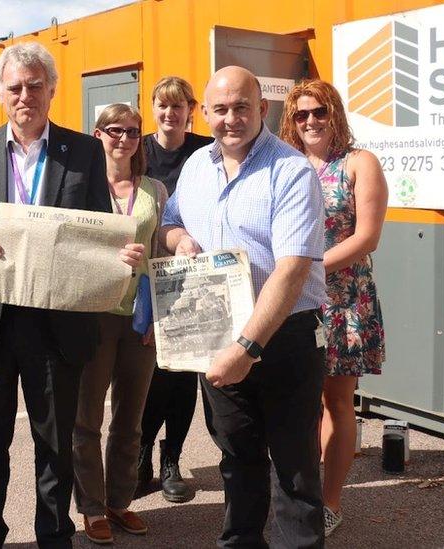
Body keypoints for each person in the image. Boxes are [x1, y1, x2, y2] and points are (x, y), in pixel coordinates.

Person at [0, 42, 142, 548]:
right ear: (1, 94)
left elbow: (101, 231)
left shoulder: (84, 151)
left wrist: (122, 257)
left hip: (57, 325)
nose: (25, 95)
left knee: (53, 446)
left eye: (35, 85)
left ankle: (54, 535)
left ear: (51, 90)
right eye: (15, 87)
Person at [159, 66, 328, 548]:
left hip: (284, 336)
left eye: (241, 107)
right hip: (216, 330)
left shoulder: (291, 170)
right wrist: (180, 239)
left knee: (294, 469)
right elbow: (170, 223)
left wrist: (247, 346)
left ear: (263, 109)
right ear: (204, 112)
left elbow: (292, 270)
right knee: (237, 459)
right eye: (220, 109)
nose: (230, 118)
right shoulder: (195, 167)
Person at [279, 79, 387, 538]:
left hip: (343, 301)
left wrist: (310, 269)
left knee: (337, 403)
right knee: (293, 403)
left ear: (335, 113)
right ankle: (295, 498)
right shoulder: (286, 163)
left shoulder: (359, 163)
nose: (311, 121)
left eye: (319, 112)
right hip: (290, 299)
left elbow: (366, 238)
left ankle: (330, 502)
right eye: (301, 115)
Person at [72, 103, 167, 544]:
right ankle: (92, 509)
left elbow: (162, 251)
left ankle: (119, 502)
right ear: (98, 134)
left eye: (132, 132)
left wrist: (159, 312)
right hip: (92, 315)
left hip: (139, 315)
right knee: (86, 419)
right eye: (115, 130)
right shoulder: (81, 186)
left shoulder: (155, 190)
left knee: (131, 419)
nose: (124, 139)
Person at [138, 76, 213, 502]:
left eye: (178, 106)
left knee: (182, 374)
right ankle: (141, 454)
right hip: (144, 276)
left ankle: (172, 460)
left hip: (190, 275)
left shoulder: (205, 150)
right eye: (162, 106)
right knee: (147, 373)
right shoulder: (139, 148)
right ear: (153, 108)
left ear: (191, 109)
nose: (170, 114)